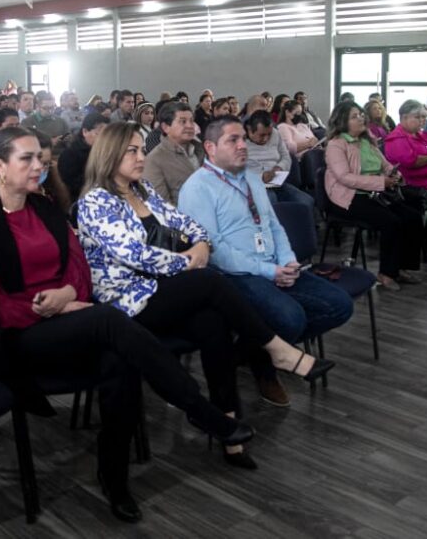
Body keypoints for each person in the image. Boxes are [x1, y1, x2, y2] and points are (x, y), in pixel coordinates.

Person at [0, 127, 254, 523]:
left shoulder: (48, 212)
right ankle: (199, 408)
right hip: (17, 339)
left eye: (41, 159)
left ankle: (114, 476)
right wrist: (49, 307)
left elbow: (81, 273)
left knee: (120, 361)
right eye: (25, 159)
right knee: (111, 320)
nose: (38, 166)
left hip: (71, 318)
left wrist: (65, 294)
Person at [77, 123, 335, 467]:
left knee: (212, 322)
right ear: (109, 155)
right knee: (209, 281)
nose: (142, 157)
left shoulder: (143, 191)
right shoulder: (95, 202)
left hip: (160, 287)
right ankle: (278, 351)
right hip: (126, 300)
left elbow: (190, 225)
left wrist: (201, 244)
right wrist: (187, 261)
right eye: (133, 151)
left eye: (141, 149)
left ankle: (228, 428)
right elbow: (135, 255)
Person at [177, 116, 352, 404]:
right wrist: (270, 271)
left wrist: (288, 260)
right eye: (232, 140)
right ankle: (265, 363)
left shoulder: (250, 177)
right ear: (210, 147)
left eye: (242, 139)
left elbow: (273, 225)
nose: (242, 146)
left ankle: (249, 353)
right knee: (290, 318)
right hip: (234, 275)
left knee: (339, 305)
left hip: (274, 265)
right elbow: (215, 250)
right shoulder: (197, 189)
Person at [324, 102, 424, 289]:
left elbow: (385, 164)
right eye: (355, 116)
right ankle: (386, 274)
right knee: (391, 222)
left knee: (413, 217)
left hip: (374, 192)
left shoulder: (366, 140)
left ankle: (402, 267)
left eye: (361, 115)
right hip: (349, 197)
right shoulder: (336, 144)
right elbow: (345, 178)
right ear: (343, 122)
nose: (361, 118)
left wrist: (394, 174)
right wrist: (380, 182)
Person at [382, 99, 427, 252]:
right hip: (412, 184)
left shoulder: (421, 135)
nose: (422, 121)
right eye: (417, 117)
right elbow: (411, 162)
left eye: (423, 117)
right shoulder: (396, 138)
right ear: (403, 118)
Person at [243, 111, 316, 215]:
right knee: (272, 203)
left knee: (306, 201)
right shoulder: (239, 142)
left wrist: (279, 168)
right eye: (262, 135)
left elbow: (286, 156)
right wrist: (261, 176)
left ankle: (301, 228)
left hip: (277, 182)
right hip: (254, 186)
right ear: (250, 130)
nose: (266, 138)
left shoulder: (275, 133)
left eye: (269, 134)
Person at [143, 101, 203, 206]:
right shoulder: (154, 160)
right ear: (166, 127)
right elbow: (161, 206)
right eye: (183, 121)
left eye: (191, 121)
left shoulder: (201, 150)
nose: (190, 126)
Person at [58, 113, 109, 202]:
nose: (104, 138)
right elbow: (74, 185)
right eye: (99, 133)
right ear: (85, 132)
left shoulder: (105, 151)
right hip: (85, 199)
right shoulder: (70, 154)